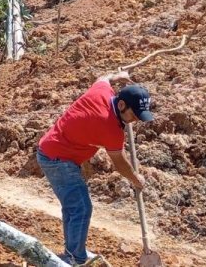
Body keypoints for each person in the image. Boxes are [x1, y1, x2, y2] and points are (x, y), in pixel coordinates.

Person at [36, 70, 153, 266]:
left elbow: (103, 79)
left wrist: (117, 76)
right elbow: (119, 162)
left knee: (74, 207)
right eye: (134, 115)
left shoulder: (103, 92)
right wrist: (135, 179)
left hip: (55, 151)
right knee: (80, 208)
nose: (135, 120)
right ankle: (74, 258)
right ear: (121, 105)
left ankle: (74, 252)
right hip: (57, 159)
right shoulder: (109, 127)